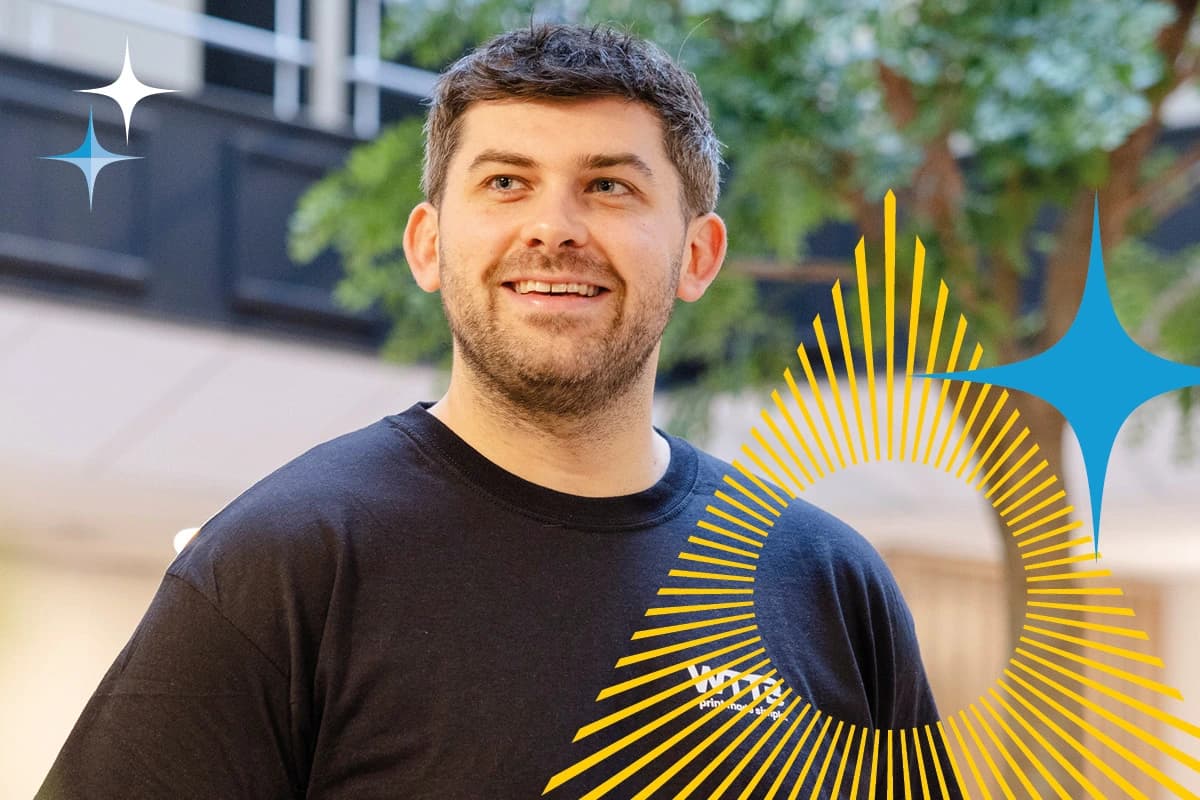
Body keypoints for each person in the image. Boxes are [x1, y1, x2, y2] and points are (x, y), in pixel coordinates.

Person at [37, 23, 949, 799]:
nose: (554, 226)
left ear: (698, 256)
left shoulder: (828, 582)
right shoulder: (285, 560)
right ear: (430, 245)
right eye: (506, 182)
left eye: (610, 186)